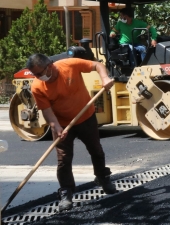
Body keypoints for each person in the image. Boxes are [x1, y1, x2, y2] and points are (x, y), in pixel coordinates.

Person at [27, 53, 117, 212]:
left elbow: (97, 65)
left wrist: (104, 78)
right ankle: (66, 192)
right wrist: (55, 126)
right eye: (34, 74)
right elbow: (47, 111)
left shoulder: (70, 65)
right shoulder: (37, 86)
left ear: (49, 66)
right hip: (61, 123)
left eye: (39, 73)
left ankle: (103, 177)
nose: (37, 77)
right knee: (63, 159)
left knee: (96, 150)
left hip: (86, 117)